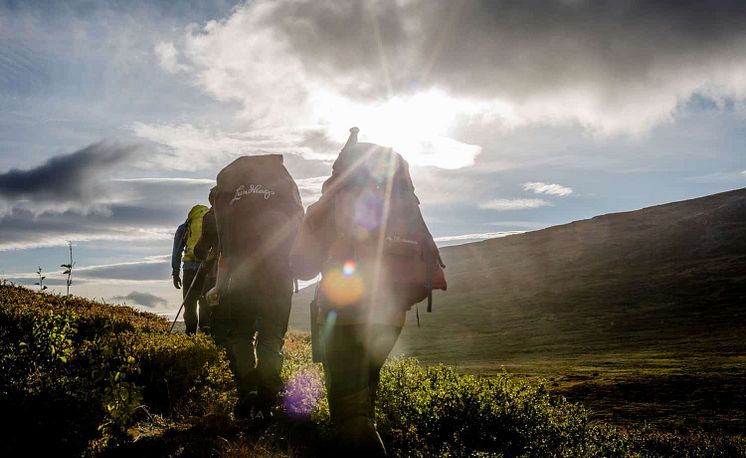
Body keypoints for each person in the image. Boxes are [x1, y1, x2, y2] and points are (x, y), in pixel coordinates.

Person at [291, 127, 445, 456]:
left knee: (349, 411)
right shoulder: (399, 200)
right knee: (364, 399)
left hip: (346, 313)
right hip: (391, 315)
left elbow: (302, 266)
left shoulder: (331, 202)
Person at [209, 155, 304, 419]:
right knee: (271, 337)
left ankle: (247, 390)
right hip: (278, 276)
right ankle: (267, 397)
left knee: (240, 334)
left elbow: (226, 251)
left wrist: (217, 286)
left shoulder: (233, 198)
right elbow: (299, 230)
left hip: (240, 278)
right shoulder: (283, 189)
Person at [171, 204, 210, 335]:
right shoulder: (212, 225)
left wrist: (175, 273)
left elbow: (177, 252)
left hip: (189, 269)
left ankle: (190, 335)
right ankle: (206, 335)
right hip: (208, 270)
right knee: (205, 303)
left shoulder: (184, 227)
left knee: (190, 305)